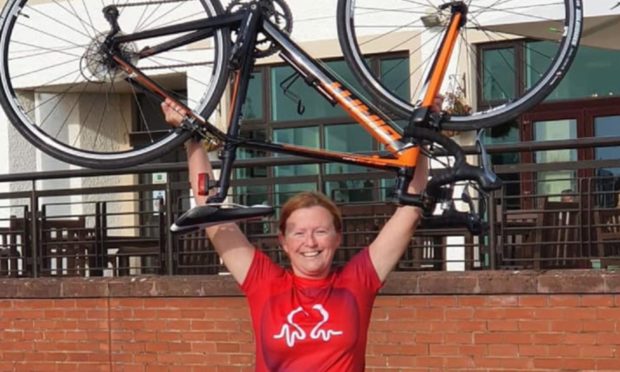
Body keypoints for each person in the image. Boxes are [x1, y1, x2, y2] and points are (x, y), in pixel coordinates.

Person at [161, 97, 438, 371]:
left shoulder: (357, 281)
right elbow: (212, 216)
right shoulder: (265, 283)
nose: (310, 242)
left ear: (337, 237)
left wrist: (424, 136)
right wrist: (191, 138)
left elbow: (410, 210)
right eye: (299, 233)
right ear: (283, 241)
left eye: (320, 231)